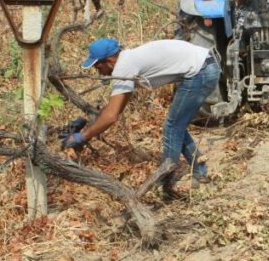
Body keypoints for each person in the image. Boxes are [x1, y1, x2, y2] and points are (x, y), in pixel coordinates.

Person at [61, 38, 221, 197]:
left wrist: (83, 136)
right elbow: (114, 108)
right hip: (204, 65)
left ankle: (164, 182)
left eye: (98, 65)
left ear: (109, 60)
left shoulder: (123, 68)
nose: (97, 70)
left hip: (201, 72)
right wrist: (88, 124)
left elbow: (111, 117)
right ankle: (199, 172)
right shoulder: (126, 61)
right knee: (176, 126)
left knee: (172, 127)